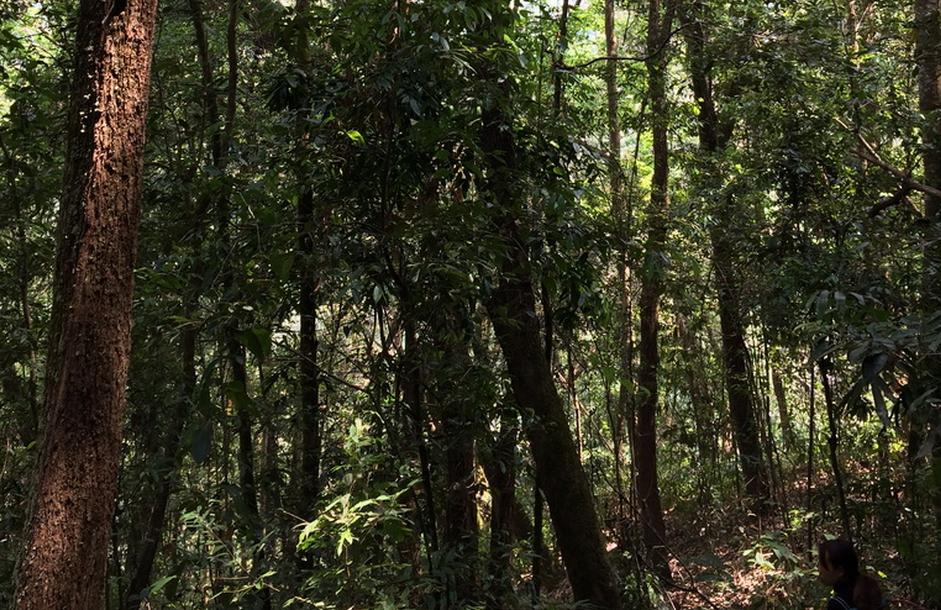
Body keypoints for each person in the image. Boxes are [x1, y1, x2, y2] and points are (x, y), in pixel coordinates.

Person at [817, 538, 885, 610]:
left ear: (840, 571)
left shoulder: (838, 604)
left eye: (822, 564)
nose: (820, 569)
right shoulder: (871, 591)